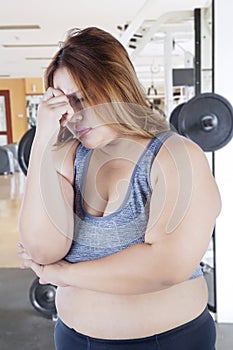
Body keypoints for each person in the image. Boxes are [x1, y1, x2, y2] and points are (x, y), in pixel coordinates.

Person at [18, 27, 221, 350]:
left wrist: (65, 275)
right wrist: (43, 138)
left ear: (116, 84)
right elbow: (43, 250)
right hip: (73, 339)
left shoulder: (174, 156)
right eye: (60, 102)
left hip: (167, 342)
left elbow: (167, 266)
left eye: (81, 98)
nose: (70, 115)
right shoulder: (67, 157)